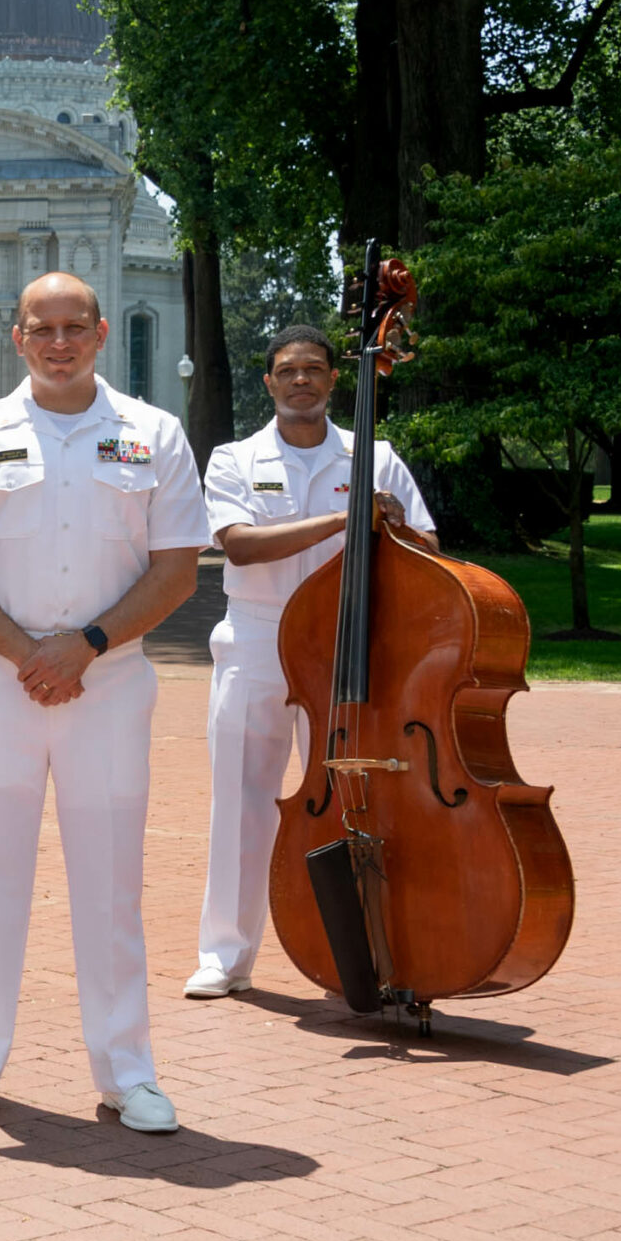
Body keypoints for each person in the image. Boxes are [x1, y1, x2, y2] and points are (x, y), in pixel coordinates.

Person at [0, 273, 208, 1132]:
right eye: (44, 328)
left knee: (111, 881)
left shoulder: (153, 434)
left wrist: (84, 646)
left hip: (108, 686)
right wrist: (28, 654)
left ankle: (127, 1070)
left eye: (76, 326)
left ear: (103, 332)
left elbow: (177, 567)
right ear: (18, 337)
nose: (60, 342)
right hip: (1, 686)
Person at [186, 326, 437, 998]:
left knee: (352, 803)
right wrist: (343, 520)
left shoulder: (375, 456)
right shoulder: (235, 458)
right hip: (259, 640)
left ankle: (350, 959)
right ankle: (226, 956)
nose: (302, 380)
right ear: (268, 382)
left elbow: (428, 545)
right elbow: (237, 545)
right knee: (242, 800)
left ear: (334, 380)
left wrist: (392, 524)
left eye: (315, 370)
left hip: (347, 644)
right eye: (288, 370)